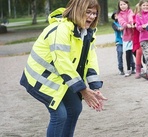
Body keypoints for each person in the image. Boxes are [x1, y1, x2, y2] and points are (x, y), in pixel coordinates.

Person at [19, 0, 107, 136]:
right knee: (60, 115)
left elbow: (90, 60)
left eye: (94, 13)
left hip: (60, 77)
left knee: (75, 108)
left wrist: (95, 87)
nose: (91, 17)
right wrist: (83, 90)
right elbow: (62, 62)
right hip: (40, 79)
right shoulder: (61, 30)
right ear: (77, 11)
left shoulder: (87, 32)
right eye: (88, 12)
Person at [117, 0, 136, 77]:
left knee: (135, 52)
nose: (123, 6)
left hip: (133, 35)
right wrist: (126, 25)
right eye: (121, 5)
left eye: (124, 4)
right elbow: (121, 21)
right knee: (128, 53)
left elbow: (131, 17)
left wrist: (131, 23)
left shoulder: (130, 12)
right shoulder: (119, 14)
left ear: (127, 4)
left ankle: (139, 67)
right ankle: (128, 69)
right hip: (126, 36)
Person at [111, 11, 125, 75]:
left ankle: (132, 67)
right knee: (120, 53)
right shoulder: (114, 24)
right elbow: (116, 28)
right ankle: (121, 69)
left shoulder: (124, 22)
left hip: (126, 40)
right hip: (119, 41)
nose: (117, 17)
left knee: (129, 54)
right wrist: (121, 28)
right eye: (115, 16)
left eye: (118, 15)